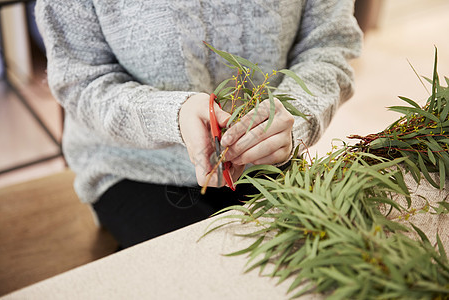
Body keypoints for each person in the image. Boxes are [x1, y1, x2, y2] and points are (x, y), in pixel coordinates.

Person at [35, 0, 362, 249]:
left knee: (333, 253)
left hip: (264, 157)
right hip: (134, 165)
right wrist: (171, 115)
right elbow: (82, 82)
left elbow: (328, 47)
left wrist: (297, 114)